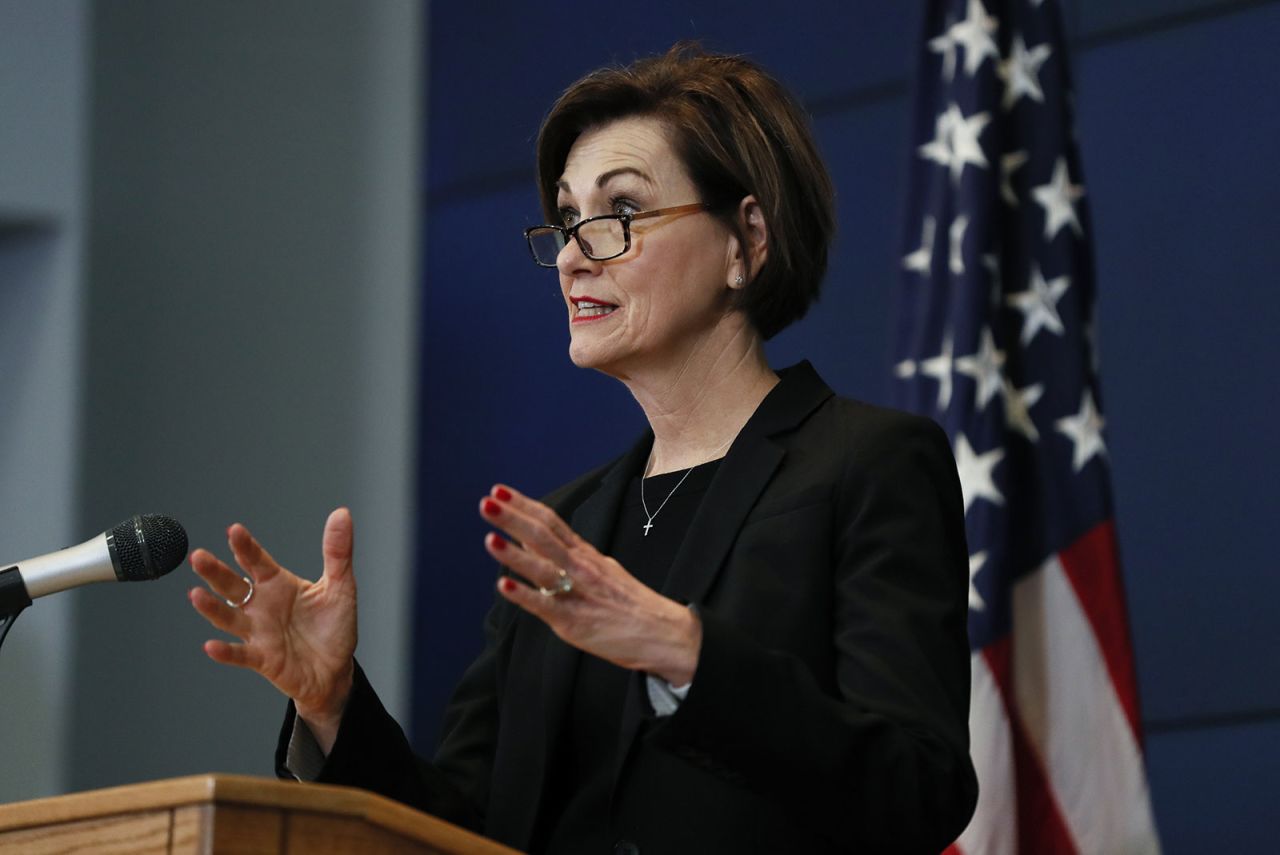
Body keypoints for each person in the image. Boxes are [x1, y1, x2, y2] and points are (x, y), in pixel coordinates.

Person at [189, 43, 977, 854]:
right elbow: (460, 827)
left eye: (619, 214)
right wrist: (334, 703)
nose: (570, 255)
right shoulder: (564, 524)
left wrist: (687, 654)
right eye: (568, 220)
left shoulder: (866, 462)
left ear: (745, 239)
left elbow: (919, 785)